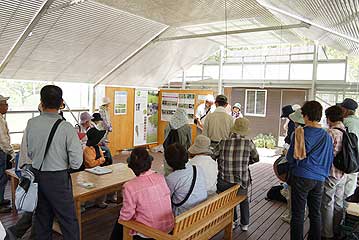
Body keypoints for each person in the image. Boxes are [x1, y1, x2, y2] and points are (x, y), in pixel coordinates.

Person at [25, 85, 83, 240]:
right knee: (68, 220)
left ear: (41, 102)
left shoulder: (31, 123)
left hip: (37, 175)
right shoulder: (66, 127)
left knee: (42, 218)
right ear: (61, 103)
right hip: (58, 178)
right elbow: (77, 162)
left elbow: (28, 152)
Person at [286, 101, 334, 240]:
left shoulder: (300, 133)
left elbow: (291, 158)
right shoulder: (327, 136)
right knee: (315, 213)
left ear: (305, 116)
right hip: (319, 179)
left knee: (298, 214)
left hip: (301, 176)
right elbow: (329, 158)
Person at [109, 147, 174, 240]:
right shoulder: (160, 177)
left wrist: (121, 220)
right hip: (168, 227)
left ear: (131, 166)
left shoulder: (129, 186)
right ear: (149, 163)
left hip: (148, 232)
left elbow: (127, 214)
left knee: (121, 220)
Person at [214, 117, 259, 231]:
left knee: (229, 200)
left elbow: (213, 155)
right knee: (243, 199)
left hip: (224, 181)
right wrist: (245, 163)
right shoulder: (249, 143)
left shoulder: (223, 142)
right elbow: (256, 158)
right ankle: (245, 224)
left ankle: (233, 221)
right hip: (241, 181)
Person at [321, 105, 346, 239]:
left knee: (327, 204)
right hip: (342, 173)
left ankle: (327, 234)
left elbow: (326, 154)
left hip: (331, 172)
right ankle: (337, 230)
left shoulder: (331, 133)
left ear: (329, 118)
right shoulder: (344, 129)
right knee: (338, 202)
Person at [165, 143, 207, 216]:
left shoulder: (171, 178)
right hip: (202, 211)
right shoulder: (197, 168)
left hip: (185, 216)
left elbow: (166, 199)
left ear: (168, 161)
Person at [280, 108, 306, 223]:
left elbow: (291, 157)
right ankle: (302, 215)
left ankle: (291, 216)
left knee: (292, 196)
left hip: (296, 170)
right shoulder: (313, 132)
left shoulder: (296, 133)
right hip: (310, 172)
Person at [338, 98, 359, 207]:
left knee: (339, 194)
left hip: (345, 162)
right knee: (350, 192)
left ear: (345, 110)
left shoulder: (345, 123)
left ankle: (336, 221)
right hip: (356, 163)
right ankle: (345, 217)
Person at [163, 108, 192, 175]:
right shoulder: (187, 126)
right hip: (181, 151)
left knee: (168, 169)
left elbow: (165, 137)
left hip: (169, 150)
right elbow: (189, 142)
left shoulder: (169, 124)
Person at [0, 95, 13, 213]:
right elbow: (3, 139)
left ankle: (1, 199)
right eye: (5, 104)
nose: (7, 107)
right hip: (1, 151)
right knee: (1, 177)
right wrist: (11, 152)